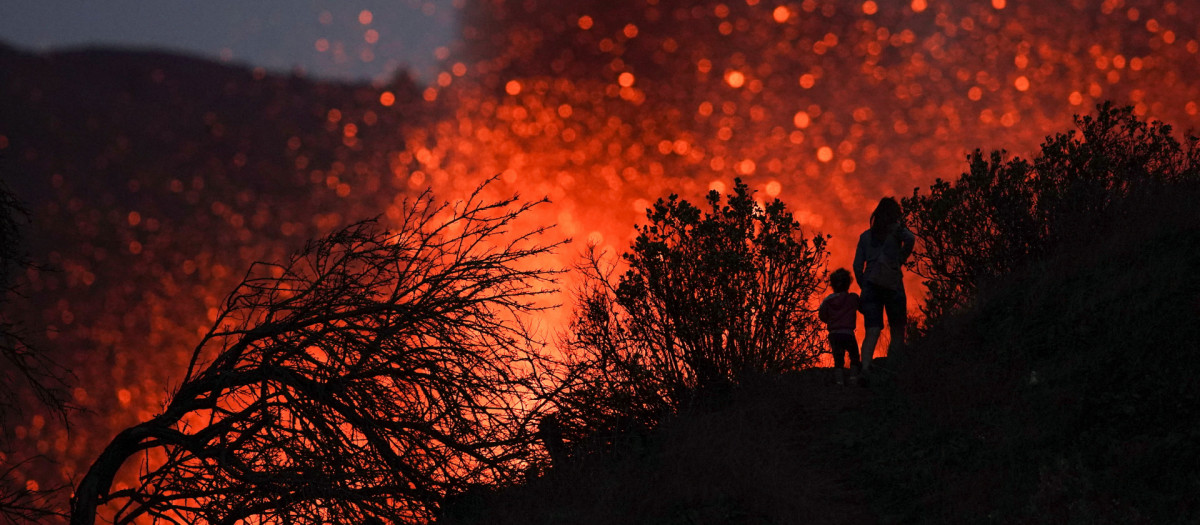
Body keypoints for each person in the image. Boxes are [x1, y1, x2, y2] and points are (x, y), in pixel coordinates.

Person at [853, 197, 915, 377]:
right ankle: (893, 367)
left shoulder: (865, 236)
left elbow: (857, 266)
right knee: (897, 327)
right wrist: (900, 259)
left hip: (870, 285)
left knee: (872, 329)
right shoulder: (896, 232)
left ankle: (865, 368)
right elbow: (911, 238)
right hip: (893, 284)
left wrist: (864, 284)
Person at [818, 268, 860, 386]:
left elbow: (822, 315)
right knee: (854, 356)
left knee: (838, 357)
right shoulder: (853, 298)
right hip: (848, 333)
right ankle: (853, 378)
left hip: (834, 334)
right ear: (848, 283)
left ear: (832, 284)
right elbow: (862, 307)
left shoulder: (828, 300)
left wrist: (831, 320)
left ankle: (839, 381)